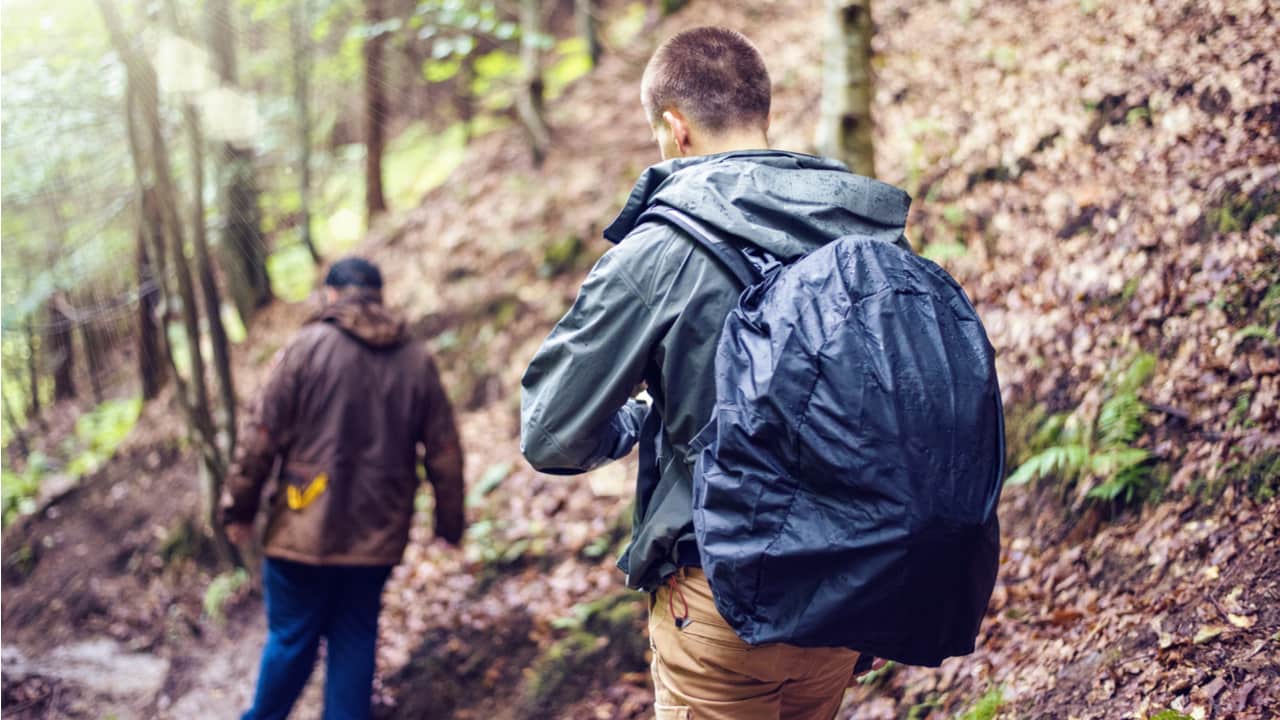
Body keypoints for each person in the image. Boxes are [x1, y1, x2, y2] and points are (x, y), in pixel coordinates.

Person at [520, 27, 903, 720]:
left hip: (724, 596)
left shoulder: (660, 250)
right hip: (849, 584)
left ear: (675, 129)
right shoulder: (862, 222)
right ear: (764, 113)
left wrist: (635, 422)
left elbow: (550, 431)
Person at [222, 256, 465, 720]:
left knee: (292, 639)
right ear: (378, 296)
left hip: (302, 529)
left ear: (332, 294)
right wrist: (448, 524)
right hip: (375, 536)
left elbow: (260, 436)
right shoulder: (415, 359)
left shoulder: (305, 348)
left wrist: (239, 509)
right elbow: (445, 450)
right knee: (354, 641)